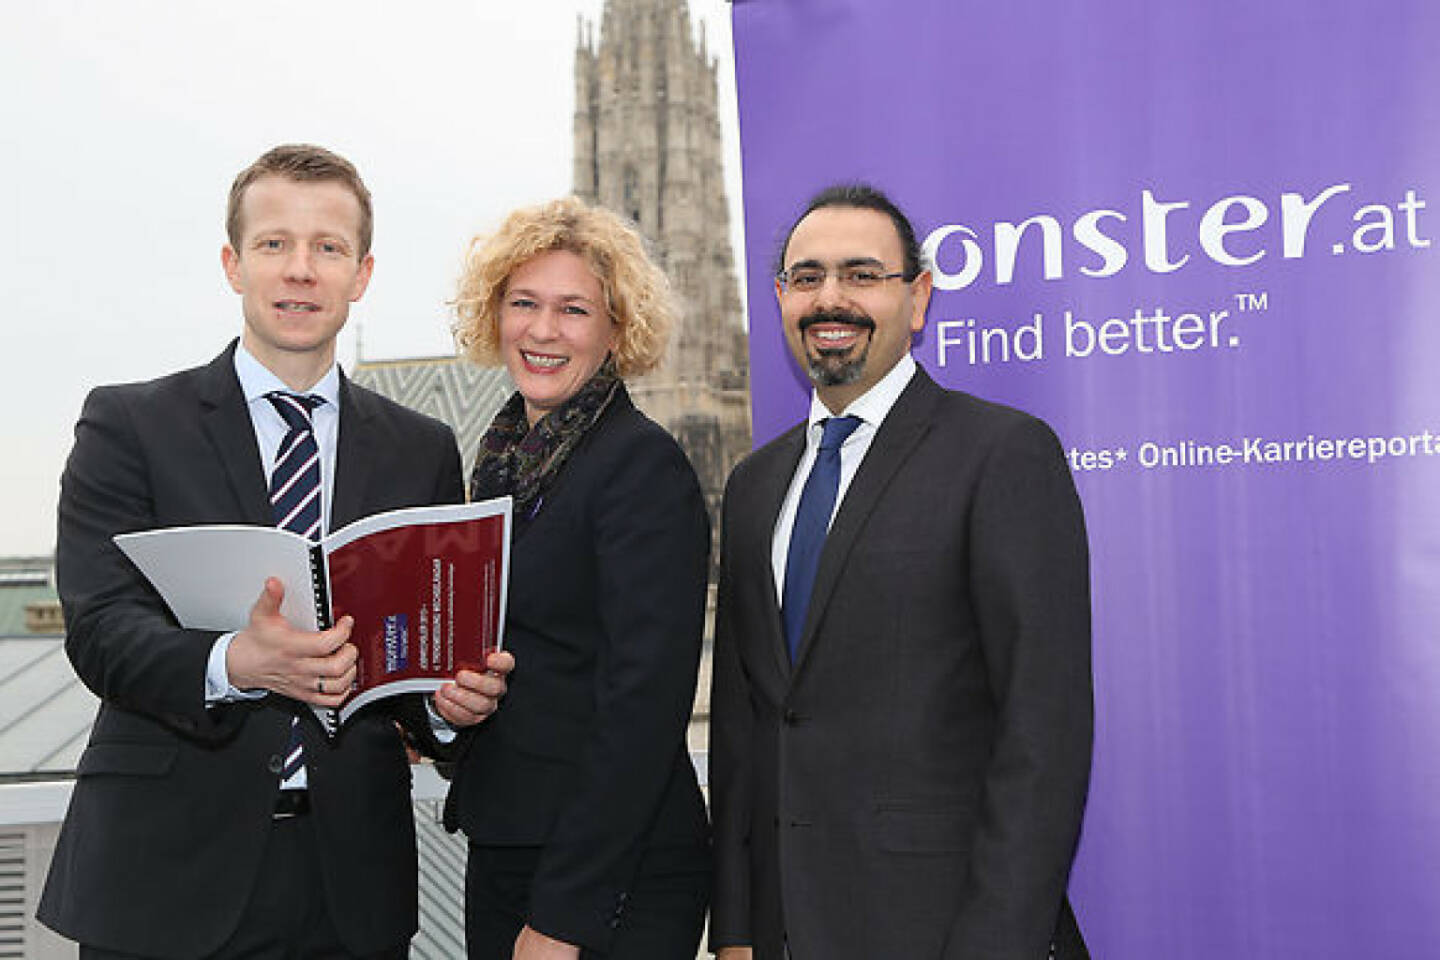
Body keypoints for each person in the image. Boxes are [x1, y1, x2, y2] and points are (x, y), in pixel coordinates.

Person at [38, 143, 512, 960]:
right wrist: (234, 662)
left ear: (361, 274)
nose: (301, 269)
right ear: (233, 264)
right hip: (163, 877)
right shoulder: (128, 425)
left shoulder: (421, 448)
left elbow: (413, 662)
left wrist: (445, 703)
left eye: (328, 248)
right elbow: (100, 629)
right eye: (273, 244)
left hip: (350, 887)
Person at [708, 184, 1093, 960]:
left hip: (946, 928)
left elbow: (1042, 732)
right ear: (782, 298)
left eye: (861, 274)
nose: (832, 298)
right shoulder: (754, 485)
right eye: (808, 277)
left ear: (916, 298)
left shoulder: (1002, 455)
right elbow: (746, 728)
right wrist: (739, 929)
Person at [443, 196, 711, 960]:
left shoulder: (640, 466)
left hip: (607, 874)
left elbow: (642, 708)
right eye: (523, 303)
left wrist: (566, 916)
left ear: (618, 331)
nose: (543, 330)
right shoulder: (501, 464)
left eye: (574, 310)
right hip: (509, 844)